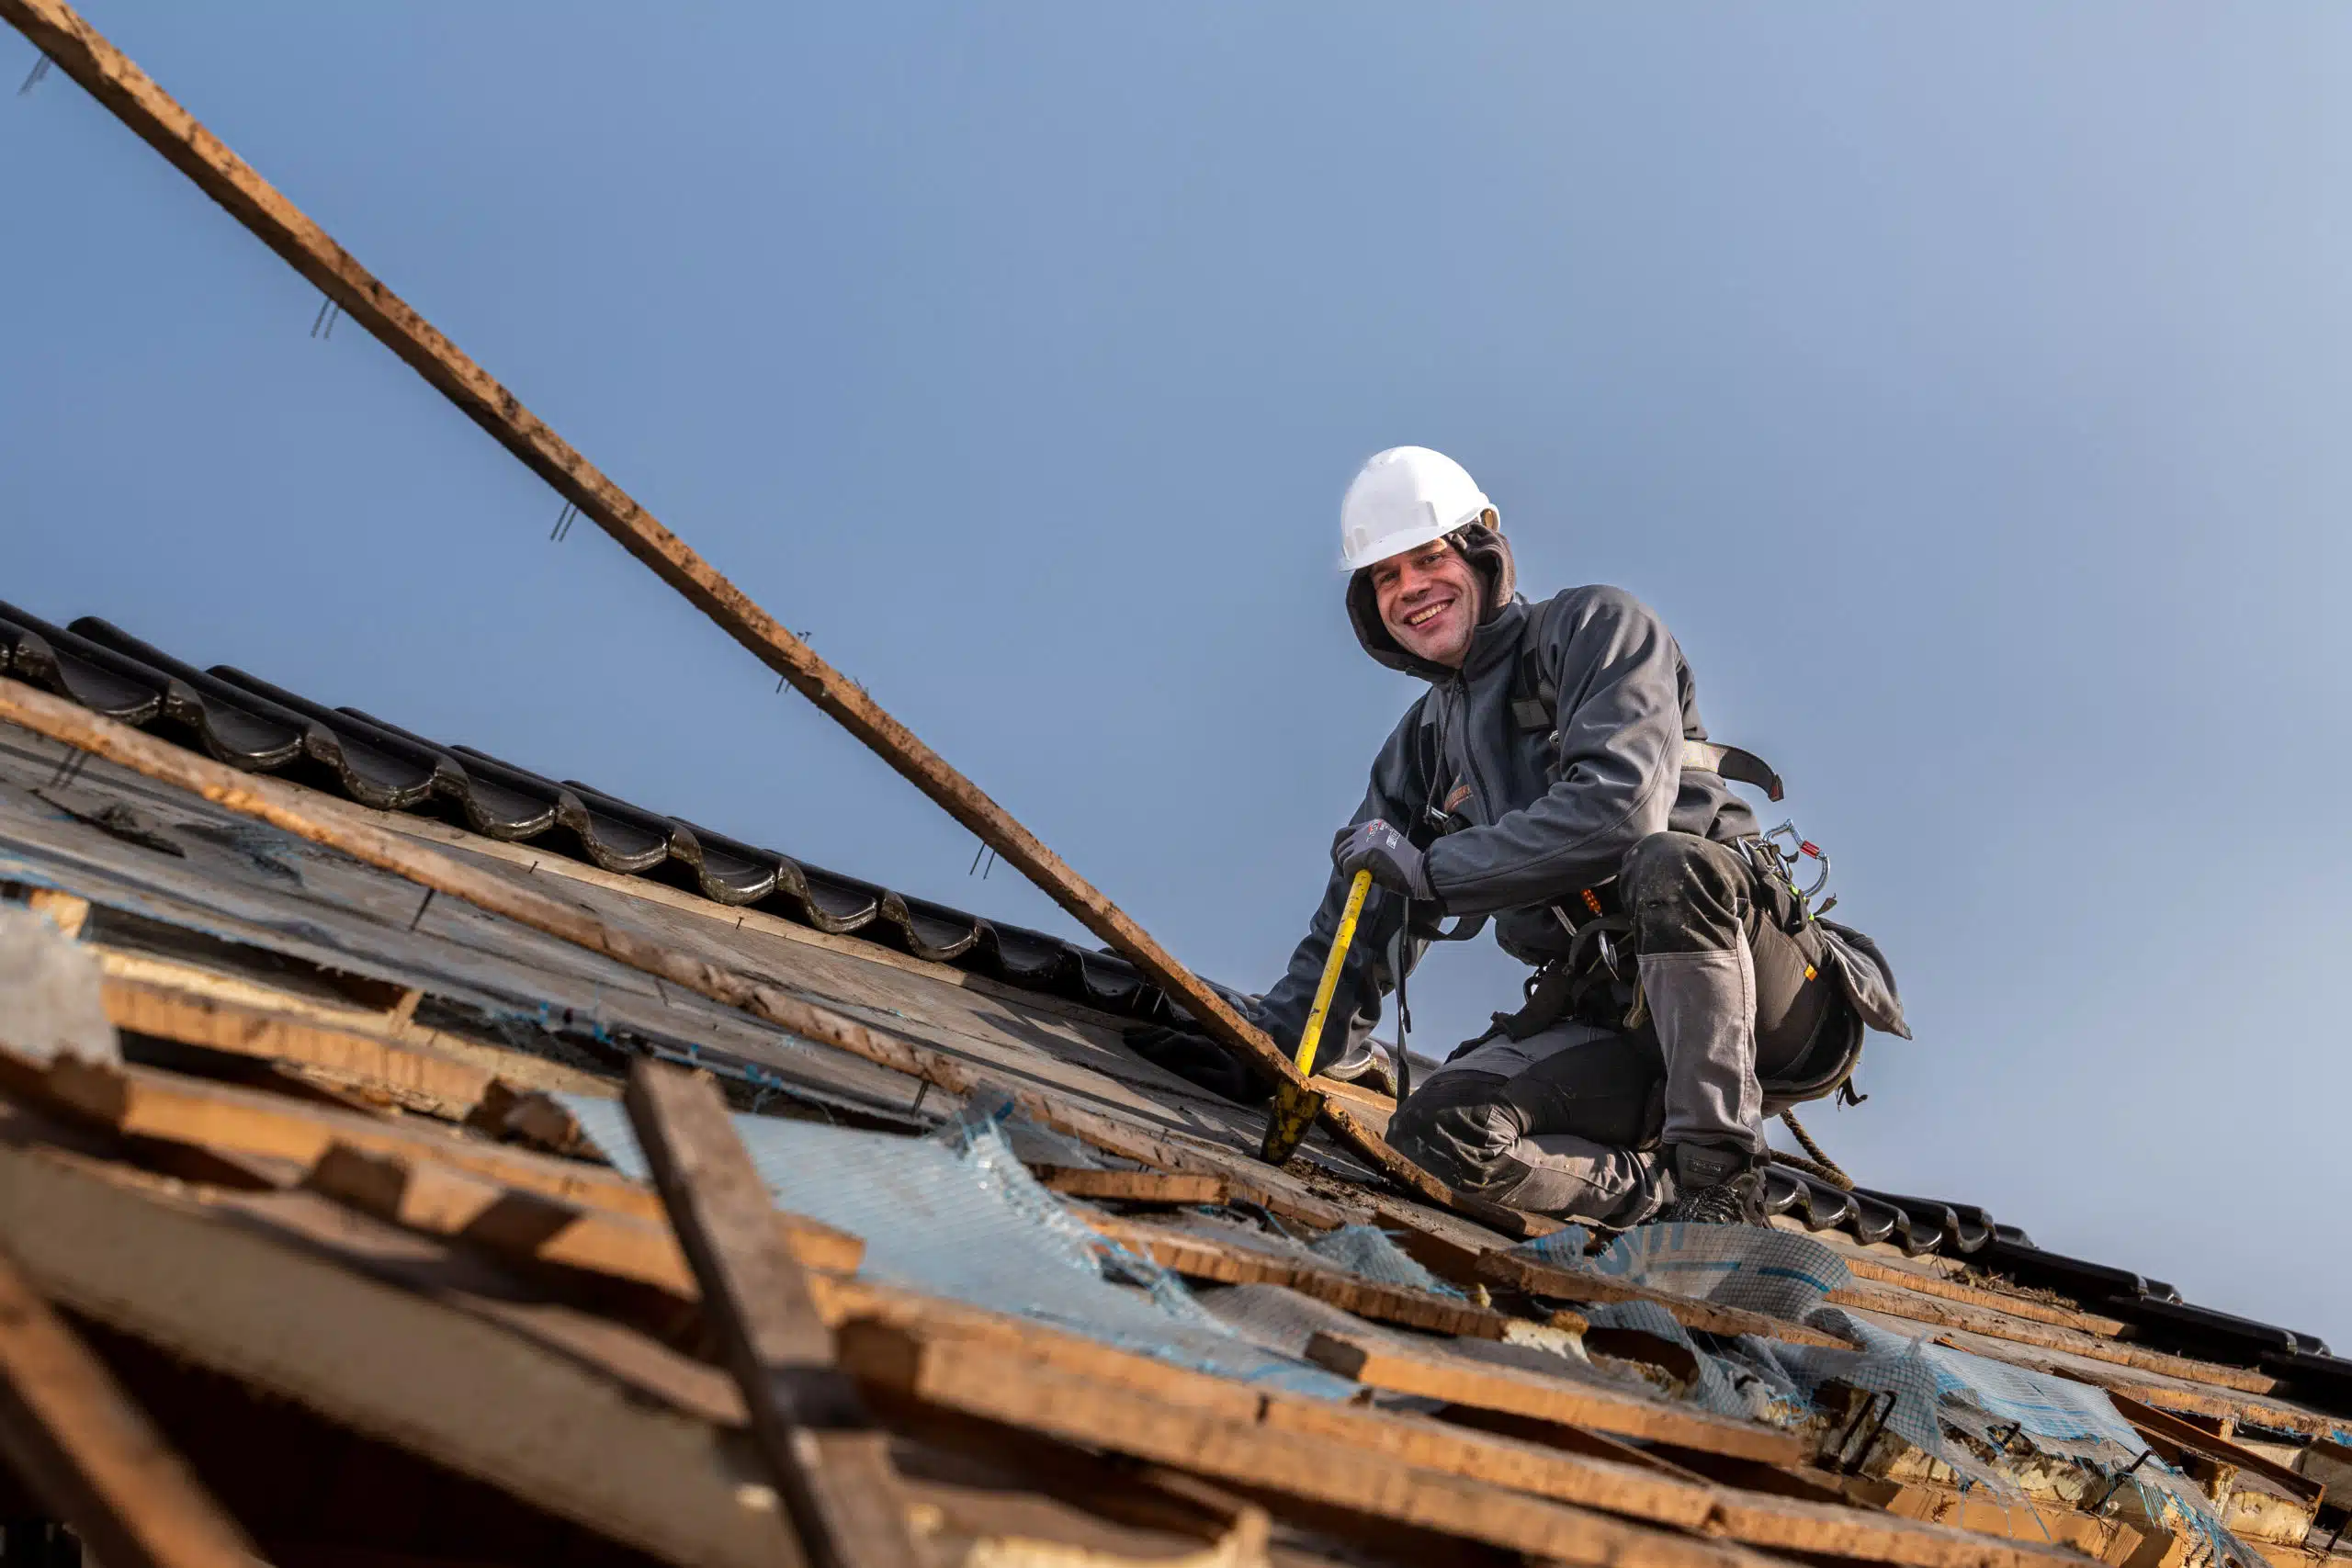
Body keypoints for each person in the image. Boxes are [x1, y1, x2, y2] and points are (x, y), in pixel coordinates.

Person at [1128, 446, 1907, 1226]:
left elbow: (1619, 812)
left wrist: (1431, 869)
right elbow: (1361, 924)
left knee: (1672, 863)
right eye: (1385, 577)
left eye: (1427, 558)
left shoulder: (1596, 628)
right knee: (1432, 1134)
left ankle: (1718, 1185)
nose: (1411, 590)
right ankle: (1662, 1197)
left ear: (1480, 548)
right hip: (1620, 1022)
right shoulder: (1423, 751)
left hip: (1768, 995)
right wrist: (1266, 1052)